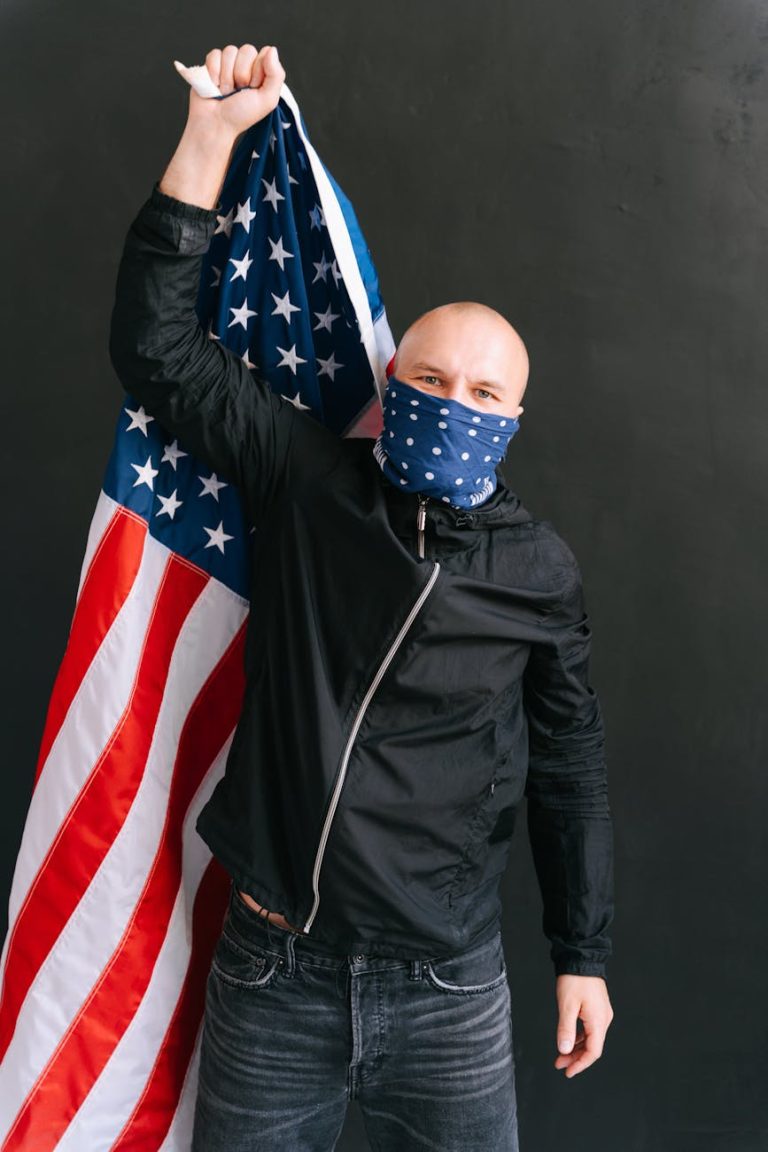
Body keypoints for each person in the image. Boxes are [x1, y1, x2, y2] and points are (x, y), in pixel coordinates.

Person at [108, 41, 615, 1152]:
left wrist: (583, 953)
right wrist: (210, 138)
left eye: (484, 392)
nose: (454, 401)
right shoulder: (311, 485)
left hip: (448, 989)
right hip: (274, 968)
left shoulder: (540, 573)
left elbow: (569, 768)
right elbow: (157, 351)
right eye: (430, 380)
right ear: (390, 388)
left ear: (513, 424)